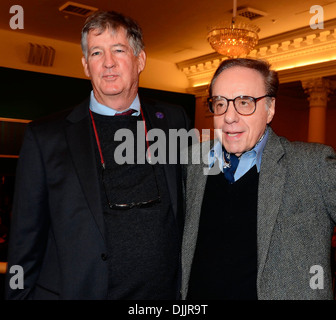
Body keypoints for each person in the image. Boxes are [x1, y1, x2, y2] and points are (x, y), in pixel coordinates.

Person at [5, 10, 190, 300]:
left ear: (140, 60)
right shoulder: (46, 136)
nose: (108, 63)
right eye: (96, 53)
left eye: (118, 50)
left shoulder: (173, 120)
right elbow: (23, 240)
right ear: (85, 65)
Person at [181, 58, 336, 300]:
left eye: (245, 102)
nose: (229, 117)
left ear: (270, 108)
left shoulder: (313, 166)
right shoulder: (193, 161)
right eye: (220, 103)